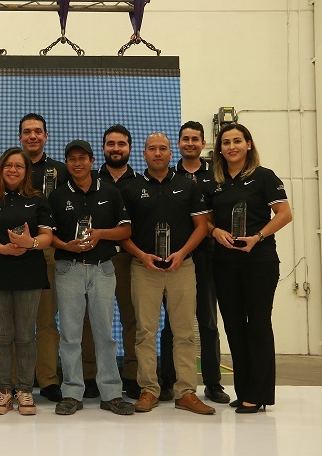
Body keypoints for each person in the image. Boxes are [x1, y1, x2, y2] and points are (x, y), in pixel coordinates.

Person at [120, 133, 215, 415]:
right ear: (144, 154)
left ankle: (186, 393)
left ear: (171, 153)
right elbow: (123, 233)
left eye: (163, 148)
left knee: (184, 332)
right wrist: (142, 256)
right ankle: (149, 390)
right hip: (144, 268)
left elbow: (202, 226)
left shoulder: (188, 185)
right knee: (144, 333)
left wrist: (182, 253)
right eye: (152, 149)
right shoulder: (131, 188)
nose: (158, 153)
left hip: (181, 267)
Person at [49, 140, 135, 416]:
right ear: (67, 163)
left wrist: (99, 234)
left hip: (102, 268)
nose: (77, 163)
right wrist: (67, 245)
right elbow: (49, 235)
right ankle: (72, 393)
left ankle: (111, 393)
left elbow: (125, 230)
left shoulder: (110, 191)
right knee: (70, 335)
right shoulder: (58, 195)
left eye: (82, 158)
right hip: (68, 268)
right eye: (72, 159)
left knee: (105, 334)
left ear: (91, 161)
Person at [209, 123, 291, 413]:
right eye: (226, 142)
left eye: (237, 141)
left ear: (248, 144)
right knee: (233, 326)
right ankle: (244, 391)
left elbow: (284, 214)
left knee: (258, 325)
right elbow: (206, 220)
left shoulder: (264, 176)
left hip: (259, 261)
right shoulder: (214, 182)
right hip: (225, 263)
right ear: (220, 149)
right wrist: (215, 231)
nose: (231, 146)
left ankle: (258, 394)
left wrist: (258, 237)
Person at [0, 147, 53, 415]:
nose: (13, 170)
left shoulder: (38, 199)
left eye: (19, 166)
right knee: (2, 335)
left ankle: (25, 391)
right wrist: (3, 249)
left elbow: (47, 237)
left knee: (26, 335)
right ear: (0, 168)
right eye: (8, 165)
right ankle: (4, 390)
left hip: (30, 274)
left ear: (26, 171)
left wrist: (31, 243)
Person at [159, 121, 230, 403]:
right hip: (176, 256)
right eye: (185, 138)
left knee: (208, 321)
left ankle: (213, 383)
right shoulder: (169, 175)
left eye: (195, 139)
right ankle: (168, 381)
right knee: (171, 322)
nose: (190, 143)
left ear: (203, 143)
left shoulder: (217, 175)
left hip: (208, 255)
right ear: (178, 143)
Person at [18, 113, 67, 402]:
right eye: (27, 132)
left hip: (49, 250)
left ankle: (48, 380)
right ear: (20, 137)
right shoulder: (10, 167)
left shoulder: (60, 170)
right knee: (17, 321)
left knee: (46, 320)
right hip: (15, 252)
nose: (32, 136)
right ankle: (15, 381)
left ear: (46, 136)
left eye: (38, 131)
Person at [96, 125, 142, 399]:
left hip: (128, 259)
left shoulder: (140, 182)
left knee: (131, 318)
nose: (115, 149)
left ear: (129, 148)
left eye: (121, 144)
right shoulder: (91, 179)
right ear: (103, 148)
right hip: (95, 258)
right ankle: (90, 375)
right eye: (110, 144)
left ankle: (133, 375)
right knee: (92, 320)